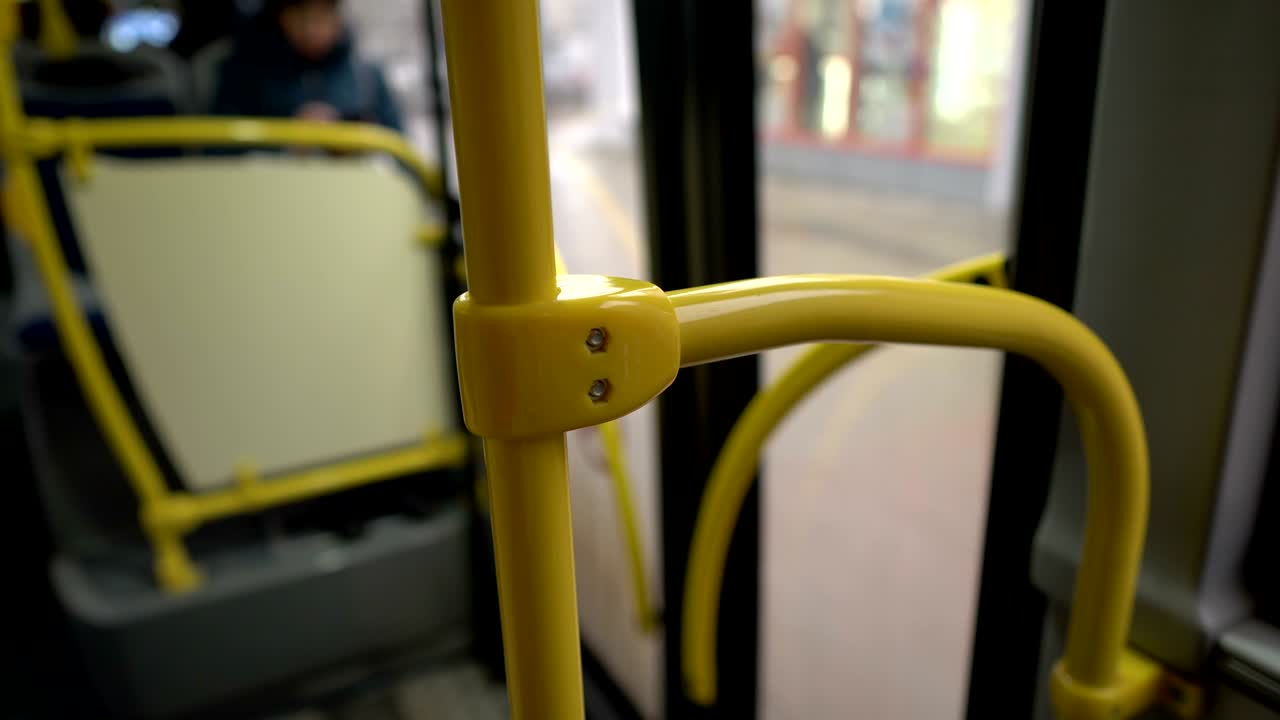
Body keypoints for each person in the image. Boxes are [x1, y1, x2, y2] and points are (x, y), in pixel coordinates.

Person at [211, 0, 402, 131]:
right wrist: (287, 141)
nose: (311, 29)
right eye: (301, 14)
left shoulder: (367, 79)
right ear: (281, 17)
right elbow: (218, 151)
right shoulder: (243, 76)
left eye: (322, 14)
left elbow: (400, 155)